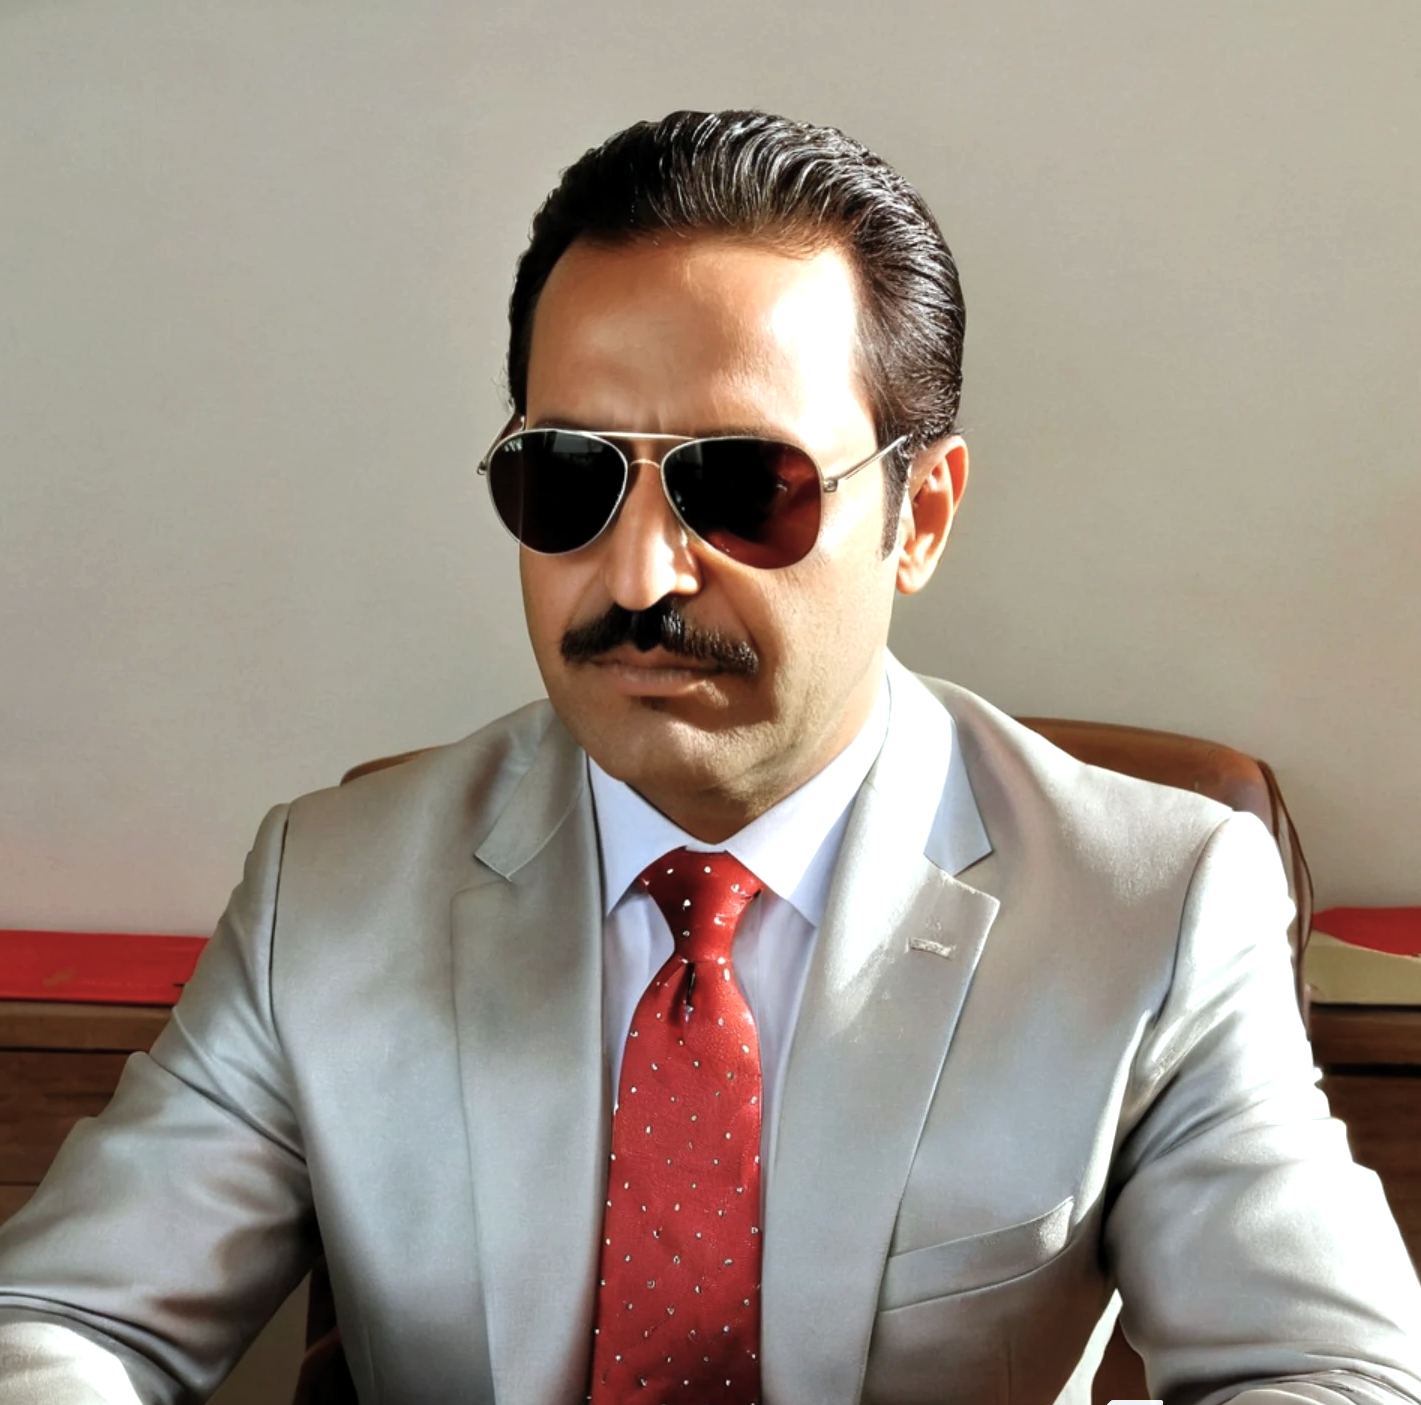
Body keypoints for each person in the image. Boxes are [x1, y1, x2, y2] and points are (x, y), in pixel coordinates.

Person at [1, 108, 1418, 1405]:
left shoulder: (1152, 907)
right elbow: (63, 1317)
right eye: (570, 477)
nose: (640, 575)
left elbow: (1334, 1373)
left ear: (920, 516)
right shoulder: (328, 891)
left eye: (744, 487)